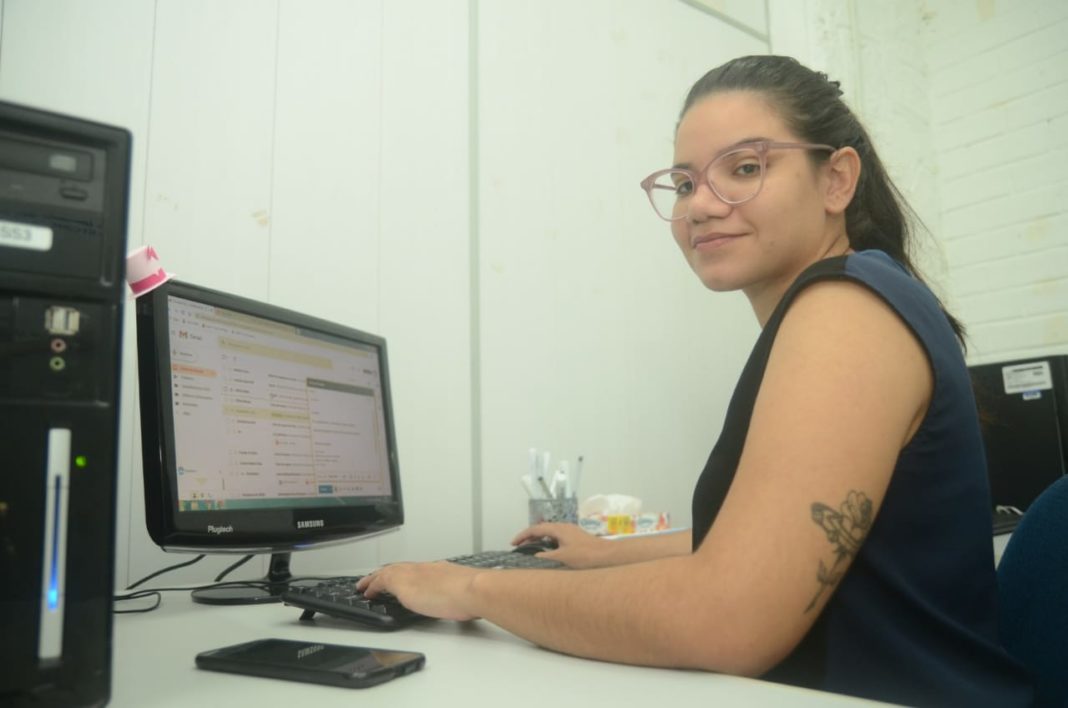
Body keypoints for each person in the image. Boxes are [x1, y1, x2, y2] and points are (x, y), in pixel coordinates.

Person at [358, 55, 1033, 706]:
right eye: (684, 183)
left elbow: (728, 619)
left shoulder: (845, 312)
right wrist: (608, 553)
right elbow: (780, 539)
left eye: (745, 168)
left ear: (836, 180)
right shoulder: (868, 293)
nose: (701, 206)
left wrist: (470, 590)